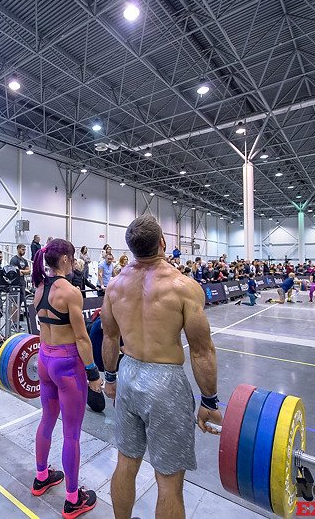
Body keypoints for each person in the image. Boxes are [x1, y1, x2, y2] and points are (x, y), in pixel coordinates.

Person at [100, 215, 221, 519]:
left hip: (128, 374)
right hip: (165, 383)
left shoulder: (115, 285)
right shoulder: (184, 287)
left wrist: (110, 378)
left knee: (126, 462)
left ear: (131, 247)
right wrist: (209, 401)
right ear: (163, 243)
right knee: (169, 482)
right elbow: (202, 350)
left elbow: (110, 337)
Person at [30, 239, 101, 518]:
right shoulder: (70, 292)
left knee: (47, 420)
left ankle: (41, 477)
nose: (74, 263)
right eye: (72, 258)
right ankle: (73, 499)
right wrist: (92, 373)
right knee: (71, 433)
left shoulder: (39, 287)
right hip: (67, 365)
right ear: (64, 260)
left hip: (44, 360)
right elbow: (82, 338)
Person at [10, 244, 31, 320]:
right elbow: (16, 271)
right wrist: (22, 271)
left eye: (24, 250)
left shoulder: (24, 261)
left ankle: (17, 322)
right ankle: (14, 322)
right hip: (15, 284)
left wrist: (22, 271)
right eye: (22, 249)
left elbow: (29, 271)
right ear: (18, 249)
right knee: (16, 303)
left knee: (20, 303)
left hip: (22, 283)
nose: (24, 251)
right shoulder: (14, 260)